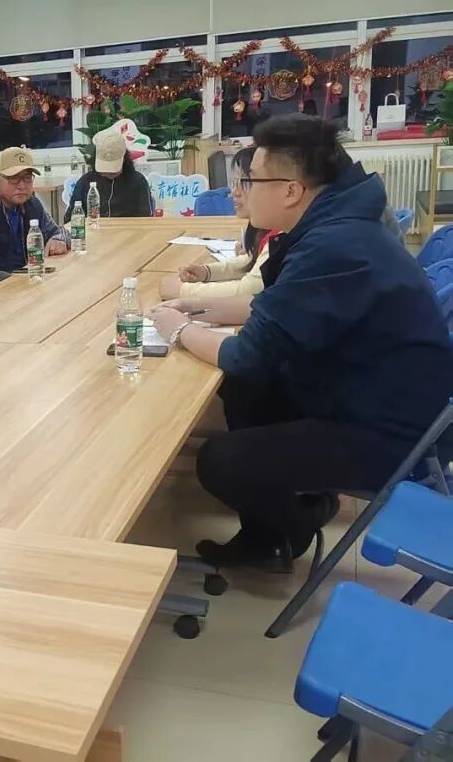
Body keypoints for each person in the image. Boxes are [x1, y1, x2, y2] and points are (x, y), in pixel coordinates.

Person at [149, 114, 453, 571]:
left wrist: (178, 329)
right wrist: (197, 310)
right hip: (362, 394)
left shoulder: (336, 246)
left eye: (251, 180)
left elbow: (246, 355)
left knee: (220, 460)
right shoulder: (335, 226)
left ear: (291, 190)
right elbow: (275, 308)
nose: (242, 190)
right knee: (244, 390)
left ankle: (297, 522)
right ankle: (270, 534)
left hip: (390, 432)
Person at [159, 147, 281, 301]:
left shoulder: (283, 235)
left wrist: (184, 291)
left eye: (244, 183)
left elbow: (249, 290)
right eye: (234, 183)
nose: (234, 192)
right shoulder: (272, 229)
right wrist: (207, 272)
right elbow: (252, 261)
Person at [0, 146, 71, 290]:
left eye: (27, 178)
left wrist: (59, 240)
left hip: (25, 283)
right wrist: (18, 284)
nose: (22, 186)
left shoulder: (31, 203)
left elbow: (60, 231)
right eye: (13, 179)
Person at [64, 129, 154, 223]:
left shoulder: (138, 181)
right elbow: (70, 218)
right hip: (94, 230)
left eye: (114, 170)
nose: (109, 173)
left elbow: (145, 218)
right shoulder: (85, 182)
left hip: (127, 230)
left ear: (124, 159)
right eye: (105, 170)